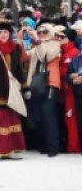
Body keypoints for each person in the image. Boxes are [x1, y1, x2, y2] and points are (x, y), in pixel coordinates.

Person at [25, 24, 62, 156]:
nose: (41, 33)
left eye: (44, 31)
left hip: (51, 83)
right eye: (39, 31)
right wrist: (19, 40)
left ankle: (53, 147)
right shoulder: (37, 44)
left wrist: (36, 39)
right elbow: (25, 57)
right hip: (37, 85)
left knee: (48, 115)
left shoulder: (55, 44)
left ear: (50, 32)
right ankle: (44, 145)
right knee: (39, 116)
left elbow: (44, 56)